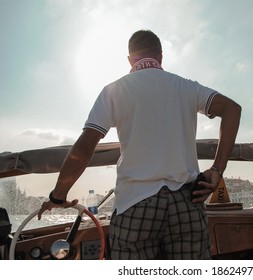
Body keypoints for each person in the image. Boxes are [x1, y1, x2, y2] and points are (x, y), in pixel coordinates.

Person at [38, 29, 241, 260]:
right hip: (187, 204)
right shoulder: (186, 87)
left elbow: (84, 148)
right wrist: (217, 171)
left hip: (136, 204)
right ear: (161, 56)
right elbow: (232, 109)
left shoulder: (113, 91)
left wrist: (59, 194)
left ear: (129, 59)